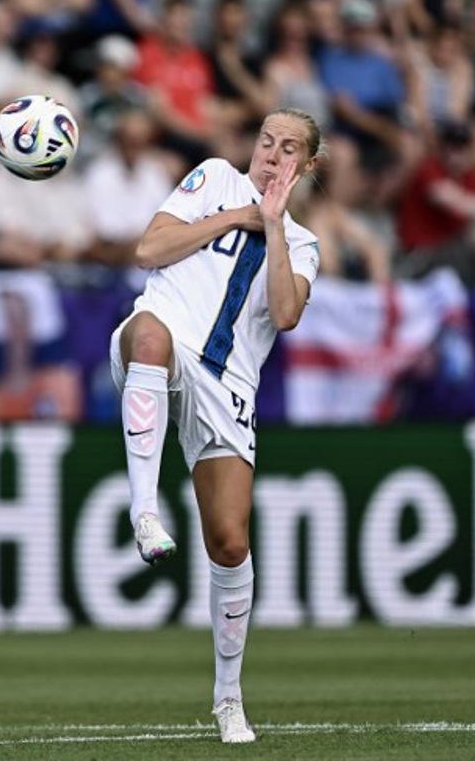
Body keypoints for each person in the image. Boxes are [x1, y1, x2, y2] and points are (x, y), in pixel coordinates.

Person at [108, 107, 322, 743]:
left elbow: (284, 315)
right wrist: (237, 216)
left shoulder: (306, 245)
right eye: (265, 141)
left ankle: (228, 697)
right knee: (145, 337)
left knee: (230, 542)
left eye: (288, 150)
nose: (272, 156)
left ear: (307, 167)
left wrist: (276, 229)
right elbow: (150, 248)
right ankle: (144, 511)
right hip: (168, 335)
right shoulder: (212, 180)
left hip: (229, 382)